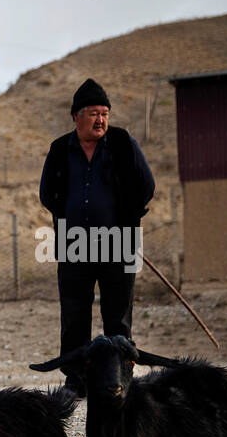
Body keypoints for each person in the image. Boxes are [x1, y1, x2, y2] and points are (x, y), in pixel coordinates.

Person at [39, 78, 155, 396]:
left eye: (105, 113)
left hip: (118, 243)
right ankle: (77, 379)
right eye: (93, 113)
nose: (101, 119)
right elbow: (47, 193)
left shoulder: (122, 143)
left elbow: (146, 186)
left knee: (117, 316)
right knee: (75, 314)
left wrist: (130, 217)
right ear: (76, 116)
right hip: (75, 243)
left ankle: (120, 377)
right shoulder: (60, 149)